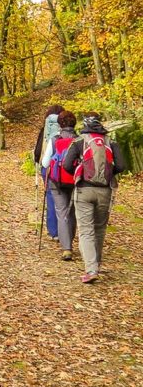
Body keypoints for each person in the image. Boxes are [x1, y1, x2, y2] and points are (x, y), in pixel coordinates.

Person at [62, 112, 126, 283]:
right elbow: (121, 165)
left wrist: (80, 171)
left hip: (84, 190)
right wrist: (108, 173)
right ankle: (96, 264)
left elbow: (66, 165)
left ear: (85, 125)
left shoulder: (79, 141)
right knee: (99, 229)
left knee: (86, 230)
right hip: (105, 190)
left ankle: (91, 270)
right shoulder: (111, 142)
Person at [41, 110, 78, 261]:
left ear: (59, 124)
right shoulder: (80, 139)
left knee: (61, 212)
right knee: (72, 212)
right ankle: (70, 239)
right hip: (75, 180)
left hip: (56, 181)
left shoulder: (55, 139)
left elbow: (45, 163)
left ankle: (66, 248)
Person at [34, 105, 64, 242]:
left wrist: (38, 162)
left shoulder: (45, 129)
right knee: (65, 198)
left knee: (51, 198)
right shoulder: (66, 128)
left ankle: (53, 231)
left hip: (47, 168)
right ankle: (66, 230)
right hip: (64, 167)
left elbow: (37, 150)